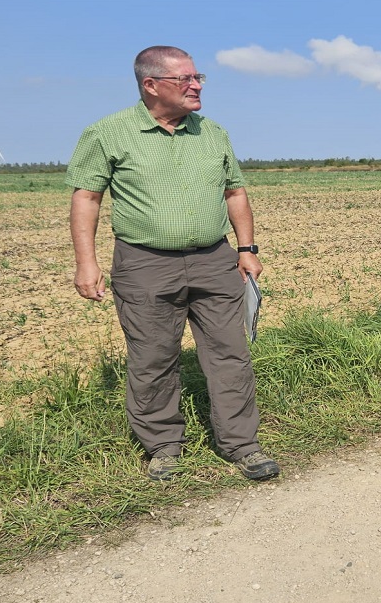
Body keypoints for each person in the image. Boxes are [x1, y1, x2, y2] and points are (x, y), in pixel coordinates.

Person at [66, 45, 279, 482]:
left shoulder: (213, 132)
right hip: (144, 265)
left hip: (215, 261)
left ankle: (241, 444)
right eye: (186, 79)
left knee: (230, 355)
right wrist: (85, 263)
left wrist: (247, 249)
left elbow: (234, 192)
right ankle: (163, 446)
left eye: (198, 77)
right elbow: (86, 197)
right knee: (152, 359)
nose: (197, 85)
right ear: (151, 85)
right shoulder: (108, 133)